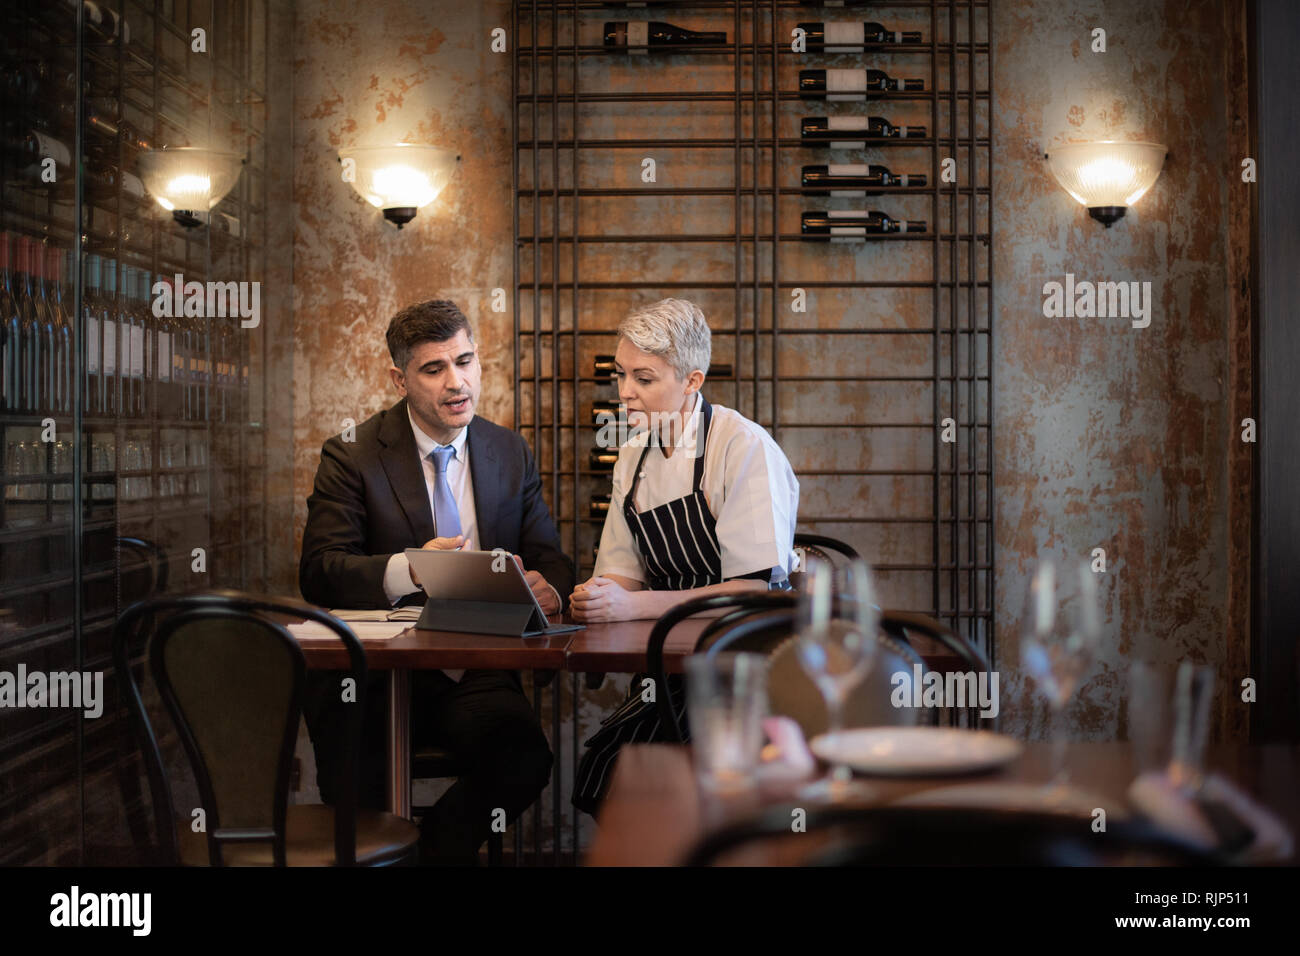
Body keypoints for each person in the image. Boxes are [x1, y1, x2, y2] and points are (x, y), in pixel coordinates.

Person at [299, 299, 574, 864]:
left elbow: (553, 558)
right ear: (400, 378)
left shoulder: (508, 452)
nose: (457, 382)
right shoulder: (351, 454)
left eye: (465, 361)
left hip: (474, 672)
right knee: (358, 794)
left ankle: (430, 856)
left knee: (524, 761)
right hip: (370, 679)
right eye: (434, 369)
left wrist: (552, 589)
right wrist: (409, 567)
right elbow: (320, 571)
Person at [569, 297, 799, 814]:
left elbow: (756, 590)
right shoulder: (633, 452)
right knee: (604, 773)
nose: (624, 392)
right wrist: (599, 595)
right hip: (669, 662)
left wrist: (632, 607)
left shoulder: (742, 448)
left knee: (636, 784)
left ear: (692, 381)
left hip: (745, 668)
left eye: (644, 379)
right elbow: (621, 571)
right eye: (622, 374)